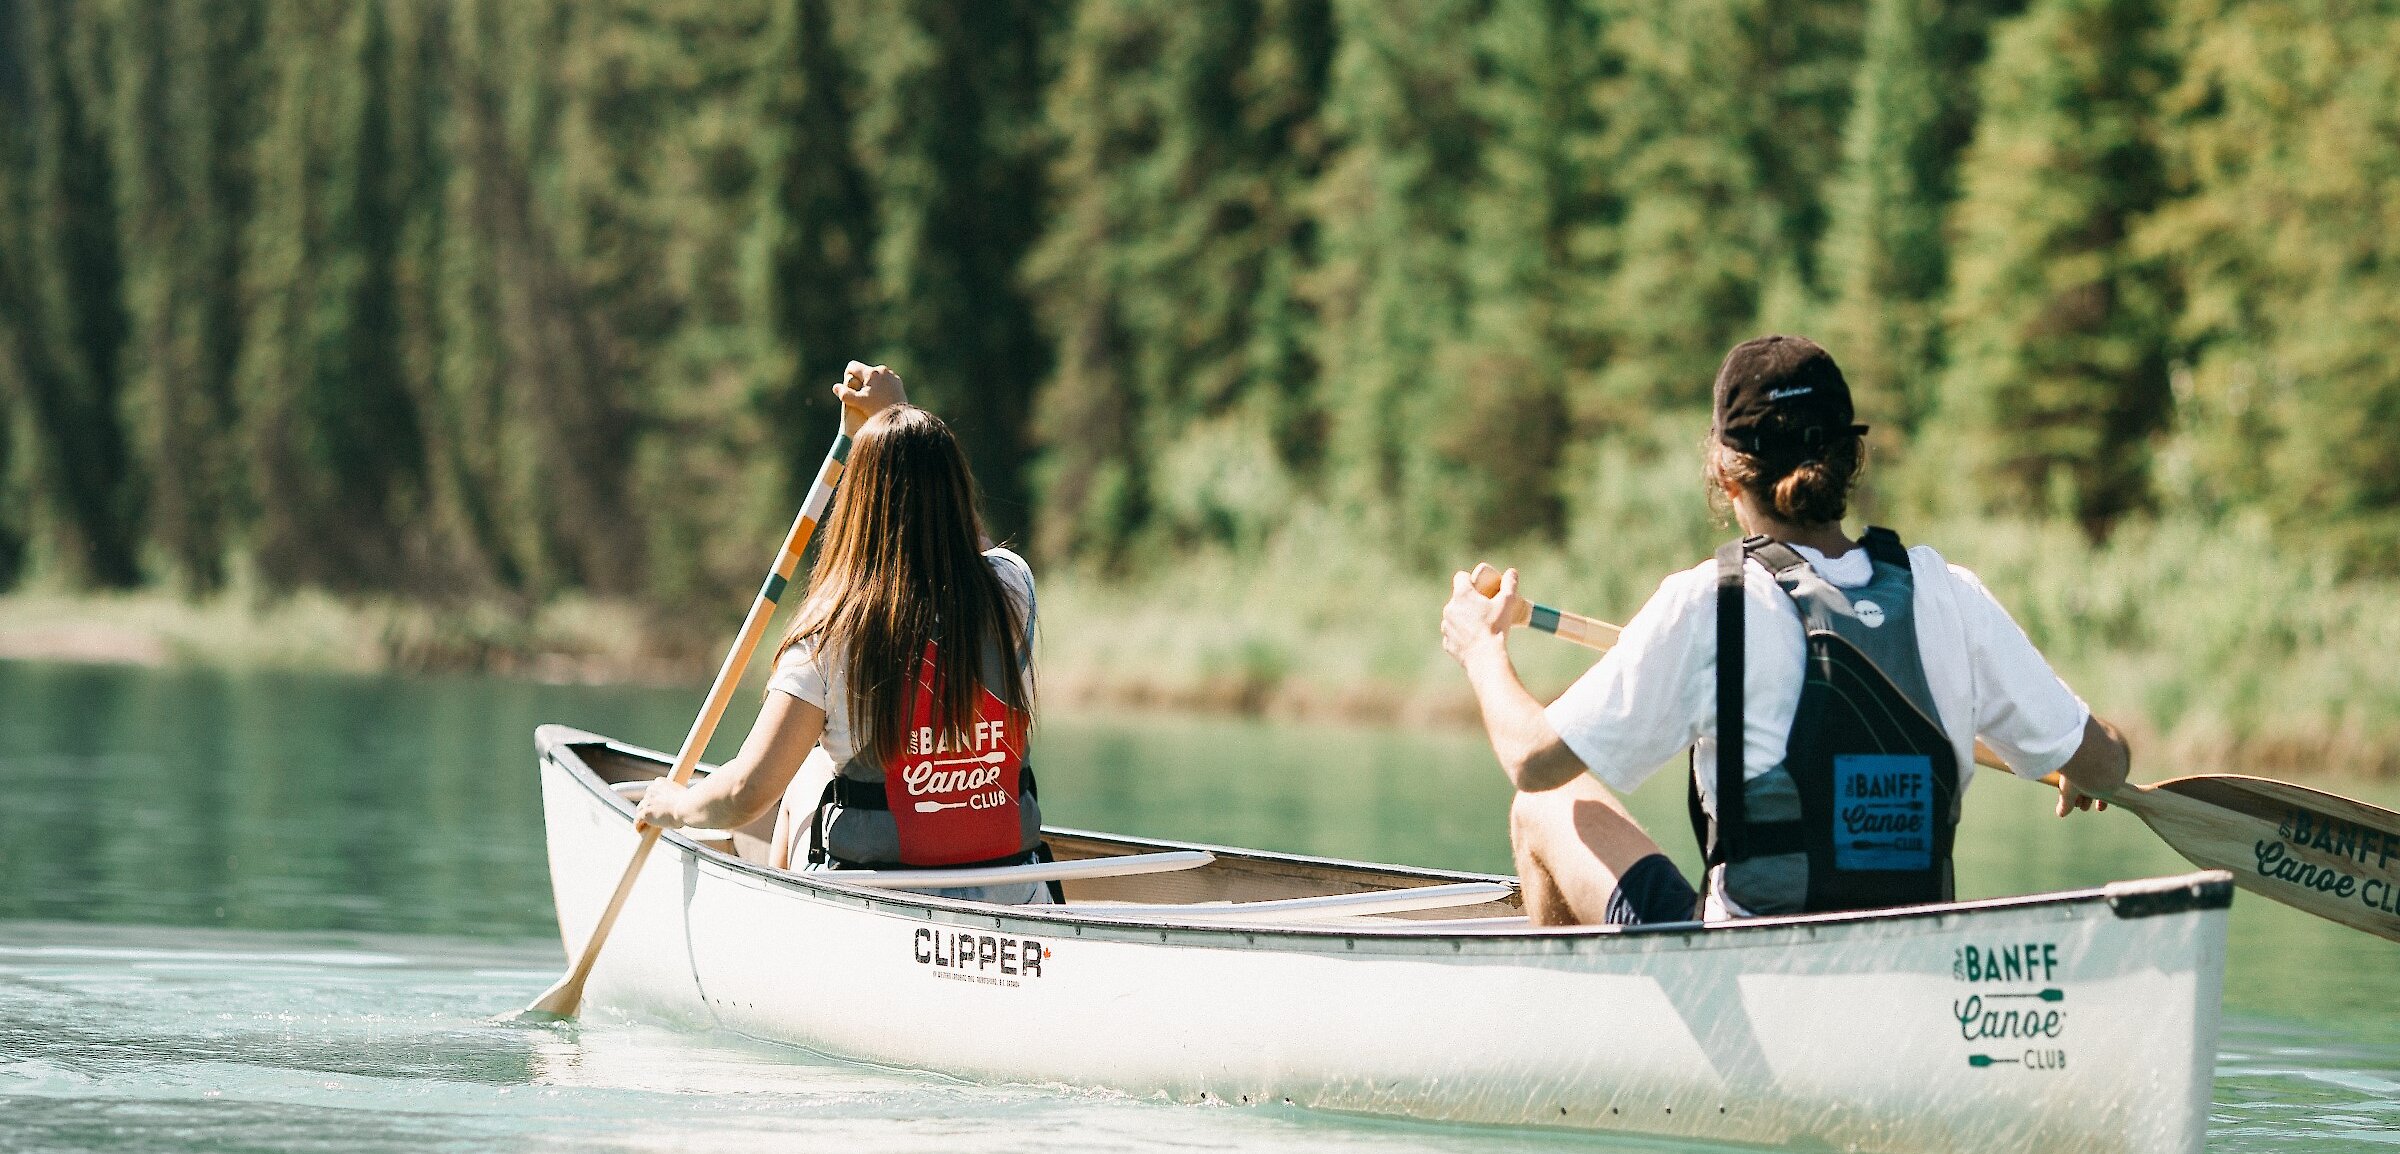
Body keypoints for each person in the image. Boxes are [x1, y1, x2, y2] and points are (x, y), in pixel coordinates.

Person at [1439, 335, 2130, 926]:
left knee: (1544, 803)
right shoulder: (1950, 594)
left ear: (1725, 473)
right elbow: (2107, 764)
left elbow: (1533, 759)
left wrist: (1481, 649)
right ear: (1850, 461)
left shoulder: (1708, 604)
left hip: (1749, 976)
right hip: (1909, 965)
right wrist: (2074, 759)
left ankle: (1589, 1055)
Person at [636, 364, 1048, 904]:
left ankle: (778, 925)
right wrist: (898, 417)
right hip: (1010, 892)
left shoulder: (829, 632)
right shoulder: (1011, 588)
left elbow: (745, 791)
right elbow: (972, 541)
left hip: (877, 902)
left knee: (806, 772)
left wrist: (674, 804)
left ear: (858, 506)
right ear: (959, 493)